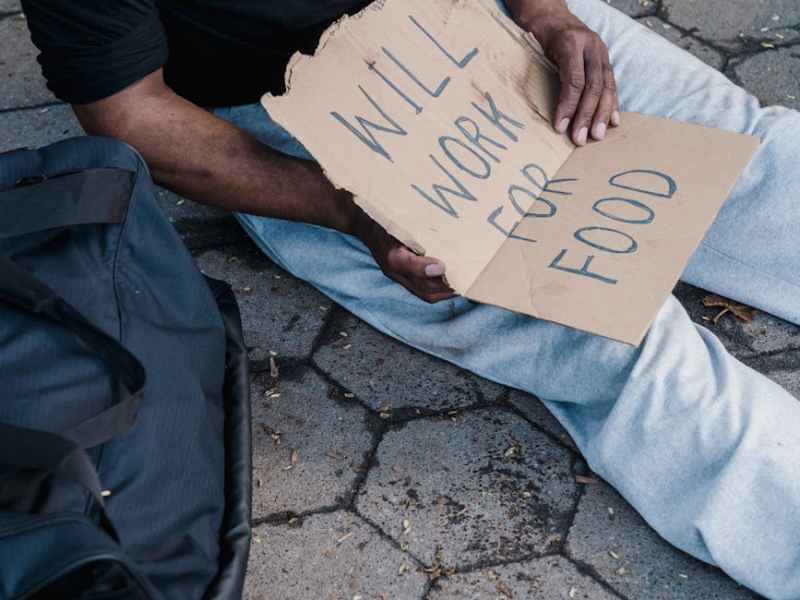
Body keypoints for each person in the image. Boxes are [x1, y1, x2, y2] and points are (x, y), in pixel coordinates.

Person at [20, 0, 800, 598]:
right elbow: (128, 112)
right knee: (619, 338)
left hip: (482, 24)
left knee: (755, 161)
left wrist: (548, 14)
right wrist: (349, 209)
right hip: (300, 107)